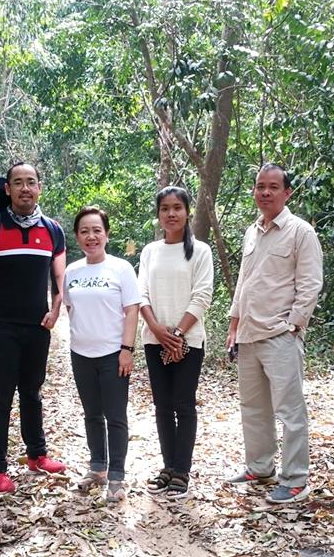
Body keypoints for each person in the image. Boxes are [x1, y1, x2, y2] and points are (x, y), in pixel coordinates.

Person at [225, 163, 323, 504]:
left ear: (287, 192)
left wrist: (294, 324)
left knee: (289, 410)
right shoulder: (252, 232)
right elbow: (243, 281)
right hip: (249, 334)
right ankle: (260, 466)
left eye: (272, 187)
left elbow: (310, 284)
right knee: (253, 407)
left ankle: (295, 479)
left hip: (280, 334)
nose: (264, 192)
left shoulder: (300, 232)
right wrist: (234, 323)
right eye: (259, 186)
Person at [0, 162, 67, 494]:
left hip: (37, 326)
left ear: (40, 187)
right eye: (18, 183)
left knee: (32, 392)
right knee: (1, 397)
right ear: (7, 189)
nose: (26, 188)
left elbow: (59, 278)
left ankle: (37, 454)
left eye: (32, 182)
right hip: (2, 327)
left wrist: (56, 309)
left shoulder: (53, 230)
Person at [138, 187, 213, 500]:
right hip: (154, 340)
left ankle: (182, 470)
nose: (171, 214)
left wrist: (178, 334)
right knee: (162, 406)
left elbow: (202, 295)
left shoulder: (200, 251)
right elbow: (140, 293)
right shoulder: (150, 251)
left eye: (177, 208)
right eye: (165, 208)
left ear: (187, 212)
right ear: (158, 215)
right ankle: (168, 466)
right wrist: (157, 329)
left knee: (183, 403)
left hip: (188, 341)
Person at [63, 207, 141, 502]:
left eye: (97, 230)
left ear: (106, 234)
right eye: (84, 231)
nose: (91, 236)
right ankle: (98, 468)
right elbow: (71, 308)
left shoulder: (121, 268)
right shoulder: (72, 270)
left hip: (113, 354)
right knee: (92, 414)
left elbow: (131, 309)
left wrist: (127, 349)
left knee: (115, 416)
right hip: (81, 354)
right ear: (77, 236)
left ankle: (117, 477)